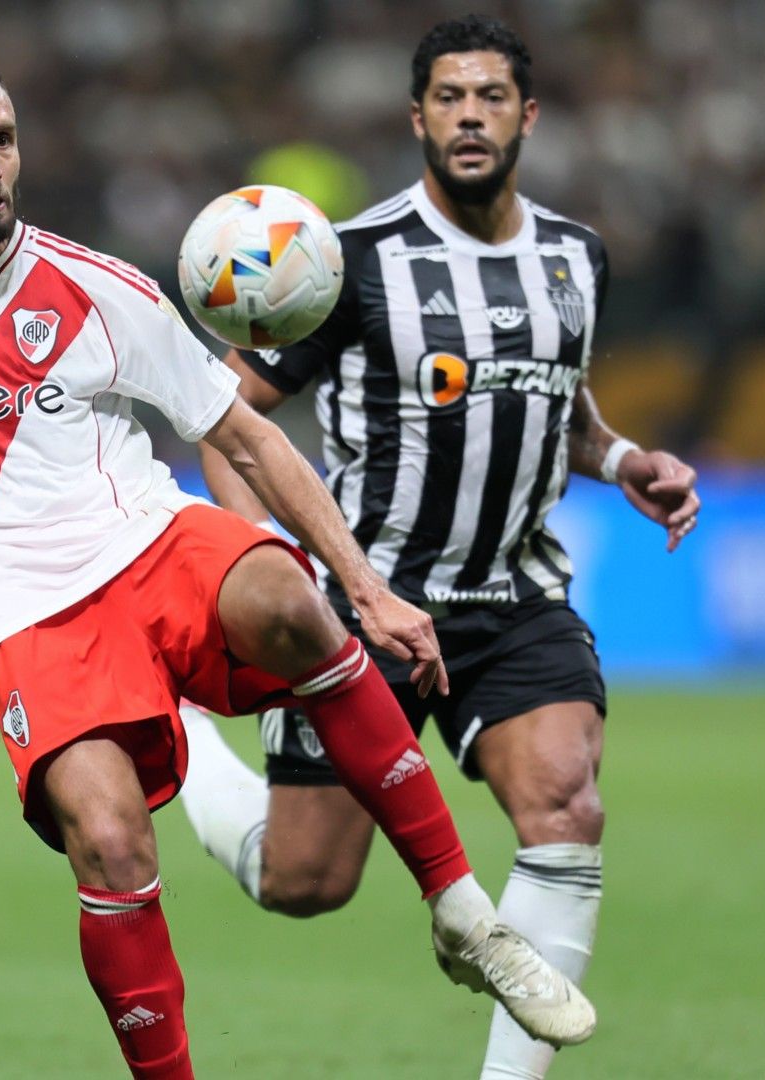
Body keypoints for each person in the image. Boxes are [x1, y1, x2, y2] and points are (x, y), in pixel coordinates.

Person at [0, 50, 594, 1080]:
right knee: (110, 841)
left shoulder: (96, 285)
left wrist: (363, 585)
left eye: (3, 139)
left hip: (146, 542)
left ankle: (462, 912)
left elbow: (247, 437)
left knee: (288, 596)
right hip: (20, 617)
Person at [175, 16, 702, 1080]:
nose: (471, 116)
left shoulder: (574, 256)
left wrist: (626, 459)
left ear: (528, 116)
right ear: (418, 118)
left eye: (492, 97)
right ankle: (187, 743)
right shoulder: (352, 263)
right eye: (451, 98)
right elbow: (227, 414)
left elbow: (564, 412)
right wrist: (254, 558)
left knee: (567, 804)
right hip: (368, 606)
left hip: (514, 597)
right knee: (305, 882)